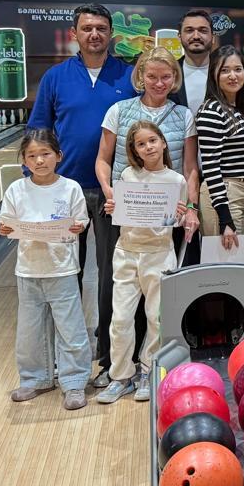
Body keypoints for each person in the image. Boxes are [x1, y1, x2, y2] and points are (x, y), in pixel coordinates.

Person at [28, 3, 136, 390]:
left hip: (113, 192)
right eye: (87, 28)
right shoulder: (56, 77)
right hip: (65, 191)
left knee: (112, 275)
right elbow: (38, 129)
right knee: (65, 277)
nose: (94, 34)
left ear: (111, 34)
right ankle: (67, 356)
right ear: (75, 34)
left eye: (101, 28)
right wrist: (33, 183)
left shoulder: (128, 75)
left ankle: (108, 354)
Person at [0, 129, 91, 411]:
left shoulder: (71, 188)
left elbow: (81, 221)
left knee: (70, 328)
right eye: (32, 156)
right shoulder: (16, 190)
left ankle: (74, 382)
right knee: (30, 330)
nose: (39, 160)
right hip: (28, 270)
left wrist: (79, 226)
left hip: (62, 269)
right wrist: (4, 229)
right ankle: (35, 379)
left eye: (45, 154)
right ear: (24, 160)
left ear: (58, 156)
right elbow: (6, 223)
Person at [96, 120, 188, 404]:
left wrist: (180, 216)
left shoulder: (176, 180)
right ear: (134, 150)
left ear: (163, 143)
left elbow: (178, 221)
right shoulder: (127, 175)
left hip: (159, 254)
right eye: (141, 144)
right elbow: (119, 211)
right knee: (121, 319)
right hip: (126, 253)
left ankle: (149, 371)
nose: (148, 147)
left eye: (152, 141)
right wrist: (112, 207)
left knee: (156, 320)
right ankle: (121, 376)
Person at [95, 45, 201, 283]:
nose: (159, 83)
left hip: (167, 213)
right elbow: (102, 160)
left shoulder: (184, 115)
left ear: (174, 78)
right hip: (127, 211)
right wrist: (109, 191)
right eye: (152, 76)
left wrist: (192, 208)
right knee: (120, 283)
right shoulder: (118, 111)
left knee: (162, 284)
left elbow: (190, 168)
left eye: (166, 77)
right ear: (141, 76)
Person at [197, 45, 244, 248]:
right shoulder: (211, 110)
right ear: (213, 75)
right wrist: (224, 217)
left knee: (243, 261)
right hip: (225, 196)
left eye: (238, 69)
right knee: (226, 264)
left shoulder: (237, 109)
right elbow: (210, 166)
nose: (233, 76)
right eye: (225, 70)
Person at [173, 10, 214, 116]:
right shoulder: (169, 72)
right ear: (179, 37)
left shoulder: (225, 72)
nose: (196, 36)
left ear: (212, 37)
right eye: (189, 30)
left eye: (203, 30)